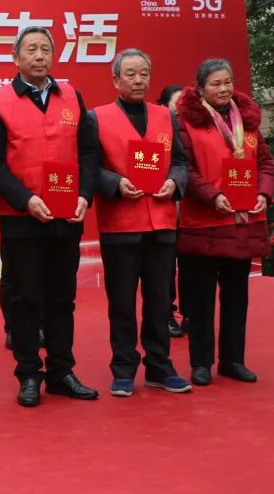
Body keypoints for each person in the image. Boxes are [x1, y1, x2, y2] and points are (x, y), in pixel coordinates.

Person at [0, 26, 99, 408]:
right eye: (31, 49)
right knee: (25, 298)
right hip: (22, 218)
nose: (39, 56)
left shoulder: (72, 97)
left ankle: (62, 371)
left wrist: (84, 195)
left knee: (62, 298)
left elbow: (89, 153)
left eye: (45, 49)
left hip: (66, 216)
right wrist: (25, 199)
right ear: (16, 58)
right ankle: (29, 373)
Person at [90, 50, 191, 397]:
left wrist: (174, 182)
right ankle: (123, 369)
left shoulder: (165, 116)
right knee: (121, 303)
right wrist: (115, 182)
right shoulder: (97, 118)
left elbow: (180, 161)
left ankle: (160, 367)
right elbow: (89, 167)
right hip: (120, 224)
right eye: (130, 74)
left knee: (160, 302)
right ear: (116, 80)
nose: (138, 80)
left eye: (144, 73)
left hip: (161, 222)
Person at [175, 59, 274, 386]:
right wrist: (213, 196)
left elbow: (265, 164)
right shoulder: (186, 122)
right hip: (204, 222)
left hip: (242, 222)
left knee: (236, 297)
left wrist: (263, 193)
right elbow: (184, 168)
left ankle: (233, 360)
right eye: (216, 83)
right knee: (201, 299)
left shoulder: (247, 121)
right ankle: (201, 363)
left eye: (228, 82)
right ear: (200, 88)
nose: (224, 88)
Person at [157, 84, 186, 339]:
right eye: (176, 107)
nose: (181, 112)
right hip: (165, 207)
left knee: (191, 267)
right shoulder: (158, 127)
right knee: (165, 269)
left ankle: (190, 313)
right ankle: (166, 313)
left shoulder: (196, 130)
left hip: (194, 210)